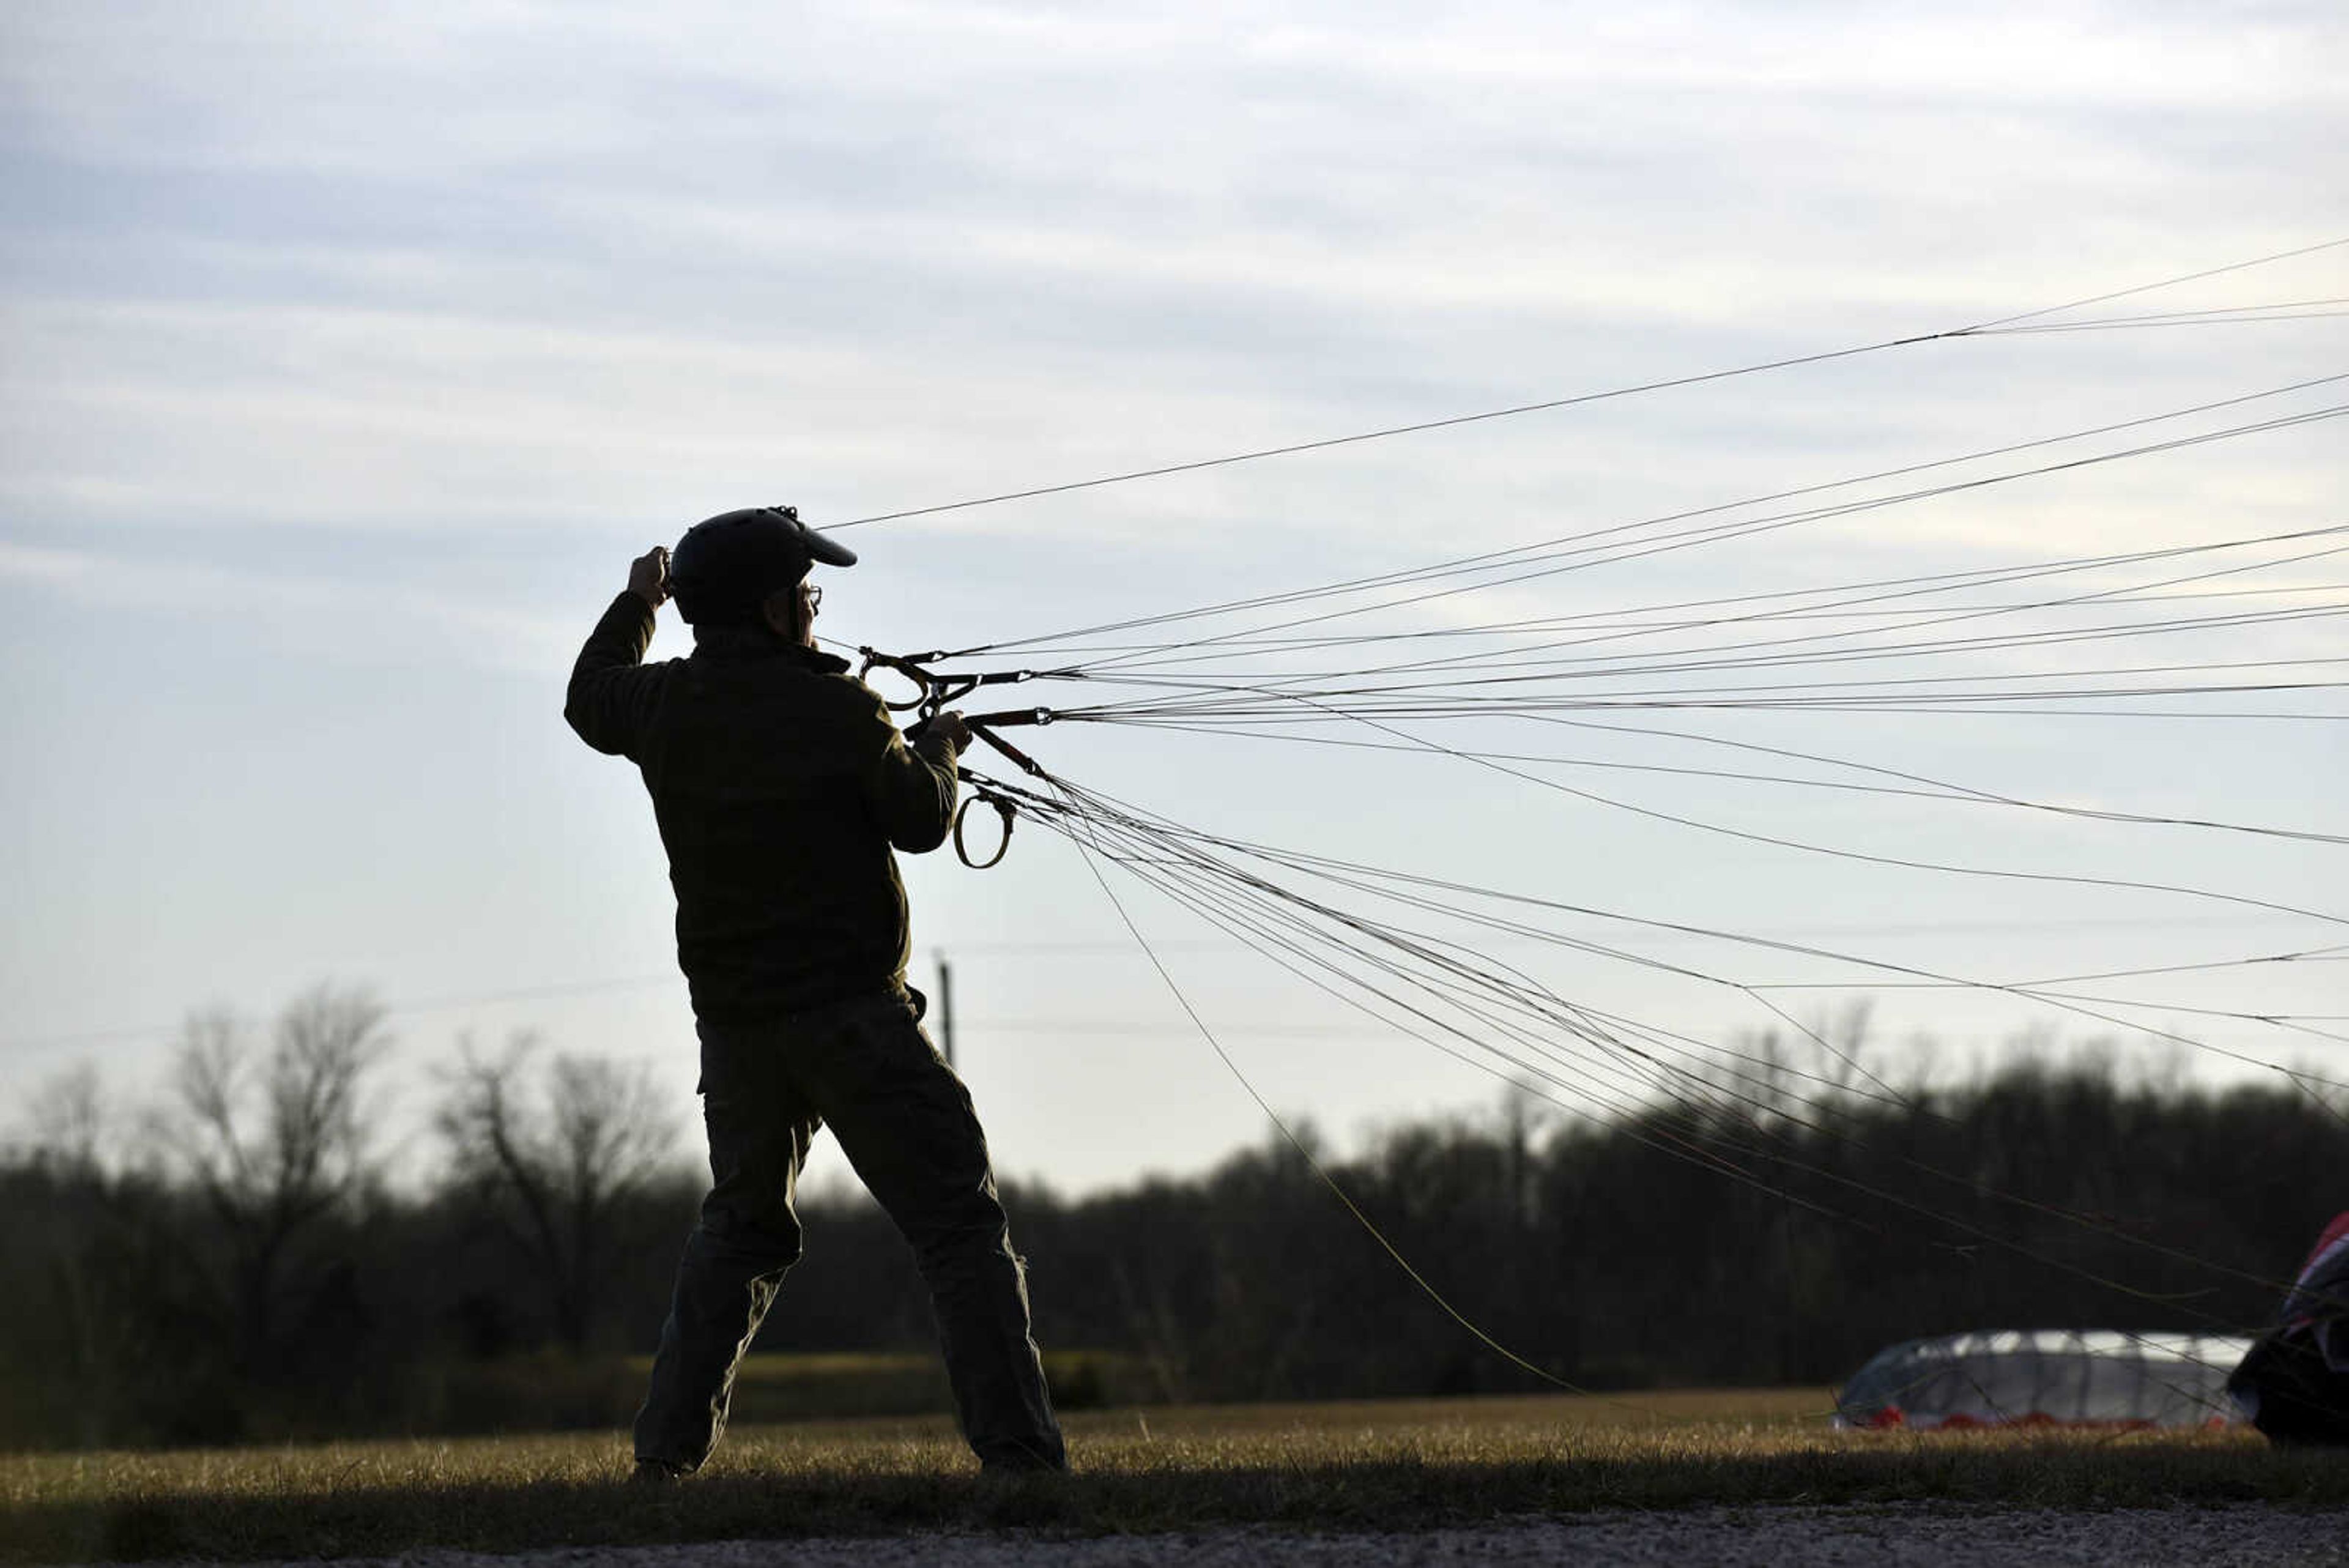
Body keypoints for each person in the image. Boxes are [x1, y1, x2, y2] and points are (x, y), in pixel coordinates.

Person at [564, 505, 1067, 1482]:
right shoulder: (840, 713)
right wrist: (941, 750)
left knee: (742, 1230)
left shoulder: (662, 707)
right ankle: (1022, 1468)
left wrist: (636, 603)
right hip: (853, 1022)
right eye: (803, 591)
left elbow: (590, 696)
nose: (812, 606)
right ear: (769, 607)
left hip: (738, 1036)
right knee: (959, 1224)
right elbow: (920, 819)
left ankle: (663, 1467)